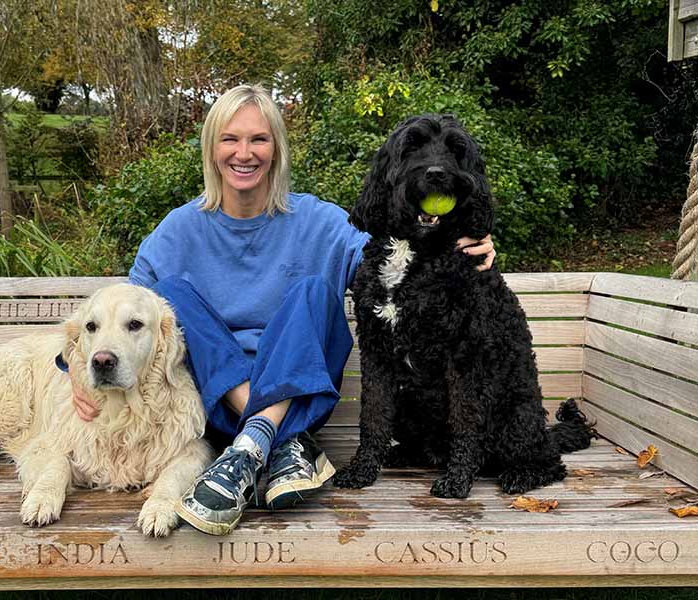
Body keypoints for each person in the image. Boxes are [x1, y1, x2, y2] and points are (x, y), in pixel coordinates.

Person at [72, 84, 495, 536]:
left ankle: (247, 449)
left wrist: (463, 236)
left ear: (276, 149)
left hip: (302, 398)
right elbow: (116, 316)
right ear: (211, 149)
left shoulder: (319, 220)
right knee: (172, 294)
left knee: (313, 290)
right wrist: (76, 370)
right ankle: (272, 443)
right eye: (230, 139)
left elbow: (395, 260)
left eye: (259, 139)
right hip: (218, 407)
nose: (244, 153)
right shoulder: (179, 230)